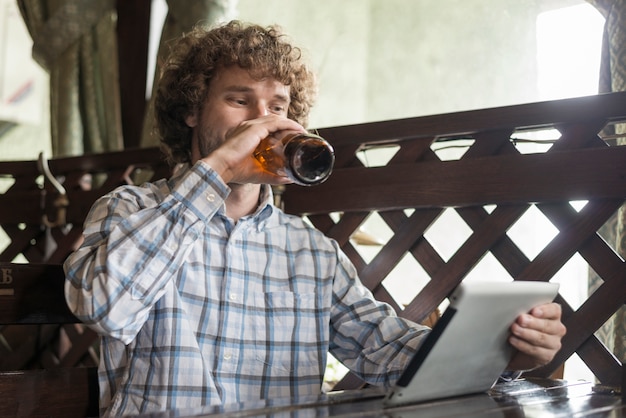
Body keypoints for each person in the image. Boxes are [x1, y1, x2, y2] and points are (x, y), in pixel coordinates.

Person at [64, 20, 567, 417]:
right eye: (240, 100)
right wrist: (215, 169)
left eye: (277, 107)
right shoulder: (131, 209)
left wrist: (503, 351)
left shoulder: (310, 249)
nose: (263, 122)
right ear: (193, 110)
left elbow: (384, 349)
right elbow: (106, 308)